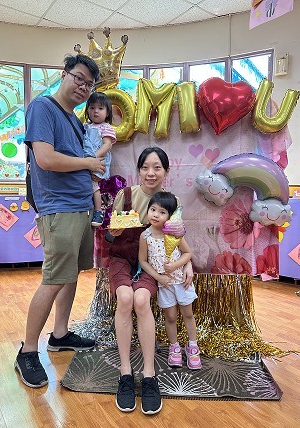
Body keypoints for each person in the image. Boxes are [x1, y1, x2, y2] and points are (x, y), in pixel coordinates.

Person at [14, 53, 106, 389]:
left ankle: (60, 334)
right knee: (53, 279)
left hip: (79, 207)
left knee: (71, 274)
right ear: (64, 74)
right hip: (59, 208)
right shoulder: (43, 107)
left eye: (89, 84)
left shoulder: (74, 119)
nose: (83, 87)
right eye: (78, 78)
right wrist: (88, 164)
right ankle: (27, 351)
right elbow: (46, 159)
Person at [106, 147, 194, 415]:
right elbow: (109, 236)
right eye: (145, 167)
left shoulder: (171, 201)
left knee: (141, 300)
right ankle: (125, 373)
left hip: (153, 263)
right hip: (122, 258)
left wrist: (188, 263)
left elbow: (177, 239)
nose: (151, 173)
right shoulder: (126, 195)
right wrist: (113, 232)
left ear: (166, 171)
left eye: (157, 167)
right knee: (125, 298)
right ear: (139, 170)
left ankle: (149, 374)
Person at [138, 191, 202, 371]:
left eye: (162, 212)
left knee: (188, 314)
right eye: (153, 209)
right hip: (164, 285)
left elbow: (188, 253)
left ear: (170, 216)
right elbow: (143, 261)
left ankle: (192, 346)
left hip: (182, 282)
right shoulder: (145, 236)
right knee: (170, 316)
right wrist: (158, 277)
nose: (155, 215)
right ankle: (174, 347)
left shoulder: (174, 234)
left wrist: (175, 265)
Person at [83, 91, 116, 227]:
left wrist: (93, 158)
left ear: (107, 113)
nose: (95, 111)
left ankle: (98, 211)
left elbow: (107, 145)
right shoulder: (85, 126)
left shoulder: (105, 127)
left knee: (94, 185)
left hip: (98, 161)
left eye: (100, 108)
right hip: (85, 160)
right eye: (92, 108)